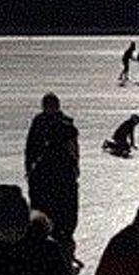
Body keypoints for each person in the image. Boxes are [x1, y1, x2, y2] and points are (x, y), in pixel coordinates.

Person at [25, 92, 82, 264]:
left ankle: (61, 251)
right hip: (47, 180)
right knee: (54, 218)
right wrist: (29, 167)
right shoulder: (40, 123)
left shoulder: (65, 125)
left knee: (62, 220)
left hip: (57, 180)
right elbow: (30, 147)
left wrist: (75, 165)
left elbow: (74, 149)